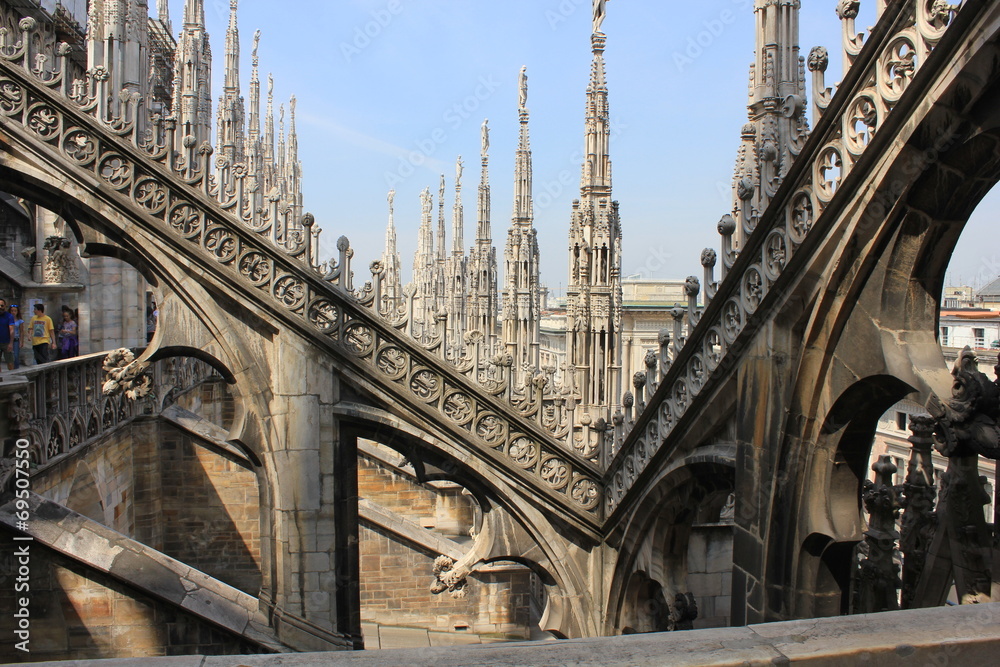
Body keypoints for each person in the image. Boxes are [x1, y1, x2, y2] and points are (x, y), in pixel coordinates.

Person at [9, 304, 24, 370]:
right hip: (8, 339)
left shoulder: (20, 321)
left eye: (15, 311)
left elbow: (21, 331)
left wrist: (21, 341)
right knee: (9, 355)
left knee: (16, 355)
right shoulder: (8, 319)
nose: (13, 312)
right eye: (12, 311)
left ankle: (16, 368)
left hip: (16, 339)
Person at [0, 298, 13, 372]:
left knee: (10, 362)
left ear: (5, 306)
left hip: (6, 342)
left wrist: (11, 343)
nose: (0, 307)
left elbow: (11, 330)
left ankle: (12, 376)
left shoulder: (9, 316)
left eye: (2, 305)